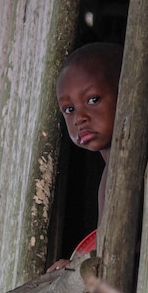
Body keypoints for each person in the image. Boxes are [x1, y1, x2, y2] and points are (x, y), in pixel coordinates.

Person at [47, 42, 123, 272]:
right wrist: (76, 264)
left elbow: (118, 246)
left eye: (93, 100)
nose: (79, 118)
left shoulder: (122, 169)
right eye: (69, 109)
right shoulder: (110, 169)